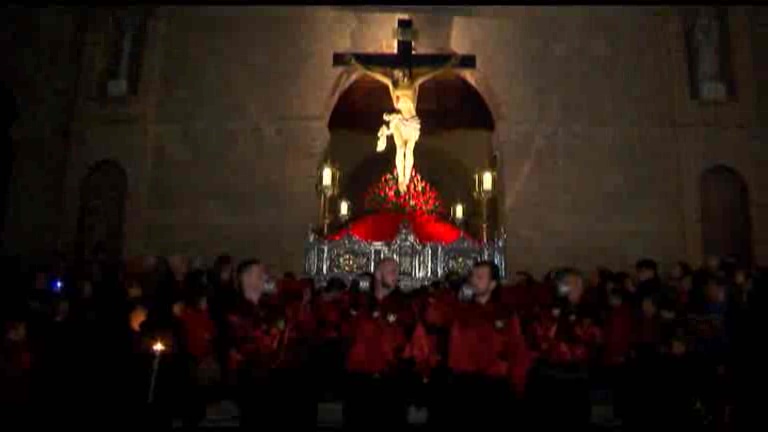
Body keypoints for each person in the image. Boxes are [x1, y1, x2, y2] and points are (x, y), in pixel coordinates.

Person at [420, 261, 530, 429]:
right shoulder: (457, 308)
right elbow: (431, 316)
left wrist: (518, 386)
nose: (474, 280)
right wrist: (453, 295)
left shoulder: (504, 313)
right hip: (461, 386)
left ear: (492, 284)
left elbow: (517, 350)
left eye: (480, 277)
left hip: (494, 387)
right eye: (472, 276)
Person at [343, 257, 416, 431]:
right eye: (391, 271)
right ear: (377, 274)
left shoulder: (403, 305)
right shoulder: (360, 303)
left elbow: (409, 337)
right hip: (361, 383)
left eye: (397, 272)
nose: (396, 275)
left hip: (391, 383)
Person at [527, 268, 601, 429]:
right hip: (551, 378)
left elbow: (593, 339)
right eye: (576, 285)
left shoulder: (587, 312)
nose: (581, 289)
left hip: (577, 378)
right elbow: (542, 342)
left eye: (581, 285)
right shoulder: (544, 312)